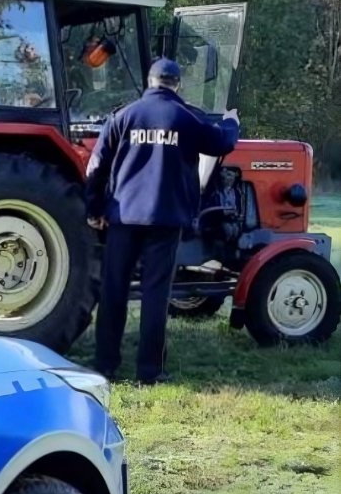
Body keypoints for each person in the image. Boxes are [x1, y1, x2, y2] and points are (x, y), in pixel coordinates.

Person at [83, 58, 239, 384]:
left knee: (114, 290)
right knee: (155, 294)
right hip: (165, 220)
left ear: (149, 81)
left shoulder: (123, 116)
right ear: (177, 85)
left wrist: (94, 209)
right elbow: (222, 143)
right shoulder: (186, 118)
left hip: (124, 217)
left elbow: (96, 166)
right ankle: (150, 371)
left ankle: (105, 364)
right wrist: (231, 122)